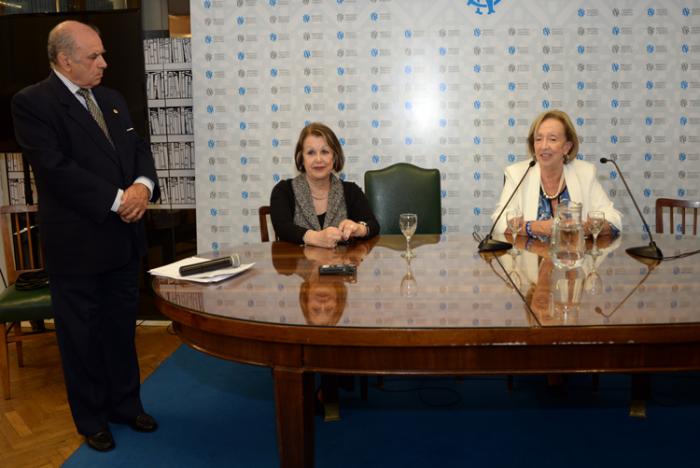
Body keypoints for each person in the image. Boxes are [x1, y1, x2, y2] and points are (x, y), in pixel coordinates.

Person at [11, 21, 159, 452]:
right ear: (64, 59)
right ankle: (92, 419)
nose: (104, 63)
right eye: (93, 56)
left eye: (102, 54)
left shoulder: (111, 99)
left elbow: (140, 149)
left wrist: (143, 187)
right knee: (81, 337)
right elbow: (54, 169)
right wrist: (119, 199)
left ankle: (126, 405)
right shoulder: (34, 103)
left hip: (123, 241)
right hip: (78, 245)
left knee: (119, 330)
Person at [492, 109, 622, 238]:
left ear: (567, 147)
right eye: (538, 139)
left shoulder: (585, 173)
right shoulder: (517, 173)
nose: (543, 146)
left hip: (573, 256)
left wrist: (584, 228)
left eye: (552, 139)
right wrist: (535, 228)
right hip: (530, 256)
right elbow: (499, 222)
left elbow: (614, 219)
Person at [270, 122, 379, 247]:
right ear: (301, 158)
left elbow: (373, 225)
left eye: (325, 152)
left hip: (340, 265)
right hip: (299, 265)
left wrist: (359, 229)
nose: (318, 159)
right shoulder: (283, 190)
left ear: (334, 156)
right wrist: (315, 237)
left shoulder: (350, 191)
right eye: (311, 153)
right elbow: (282, 227)